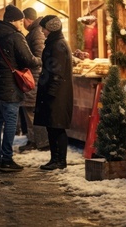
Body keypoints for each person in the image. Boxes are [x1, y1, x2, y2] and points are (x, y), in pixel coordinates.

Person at [0, 4, 41, 173]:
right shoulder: (15, 37)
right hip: (11, 88)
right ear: (14, 21)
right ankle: (7, 158)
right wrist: (39, 60)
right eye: (20, 21)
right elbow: (28, 60)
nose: (22, 24)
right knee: (10, 123)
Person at [34, 15, 73, 170]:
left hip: (57, 94)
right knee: (52, 126)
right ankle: (55, 159)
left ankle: (60, 160)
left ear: (50, 28)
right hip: (55, 92)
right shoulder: (56, 43)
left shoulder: (57, 45)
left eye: (44, 28)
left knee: (57, 127)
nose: (42, 32)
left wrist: (51, 93)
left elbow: (57, 72)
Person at [18, 7, 49, 153]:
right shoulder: (35, 32)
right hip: (33, 77)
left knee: (32, 111)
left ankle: (39, 142)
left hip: (34, 78)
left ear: (27, 19)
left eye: (22, 20)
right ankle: (35, 140)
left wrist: (27, 61)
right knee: (31, 110)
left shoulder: (36, 33)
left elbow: (40, 57)